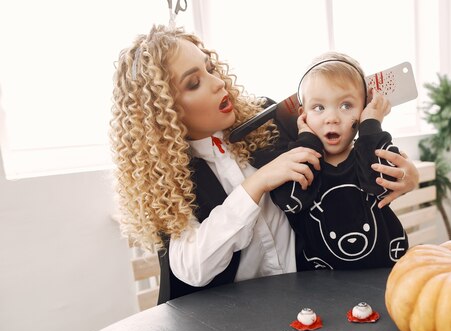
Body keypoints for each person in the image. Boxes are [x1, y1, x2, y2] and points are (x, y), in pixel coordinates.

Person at [110, 26, 418, 302]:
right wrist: (256, 184)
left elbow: (345, 117)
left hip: (315, 293)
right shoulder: (172, 180)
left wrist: (406, 171)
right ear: (163, 112)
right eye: (194, 83)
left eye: (210, 68)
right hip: (239, 322)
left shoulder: (271, 121)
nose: (218, 82)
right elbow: (191, 268)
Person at [270, 52, 410, 270]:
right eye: (318, 108)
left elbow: (379, 183)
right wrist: (306, 140)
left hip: (384, 274)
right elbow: (291, 201)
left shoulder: (371, 150)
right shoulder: (298, 159)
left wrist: (371, 126)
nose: (332, 118)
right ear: (302, 115)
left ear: (364, 109)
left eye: (346, 106)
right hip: (321, 285)